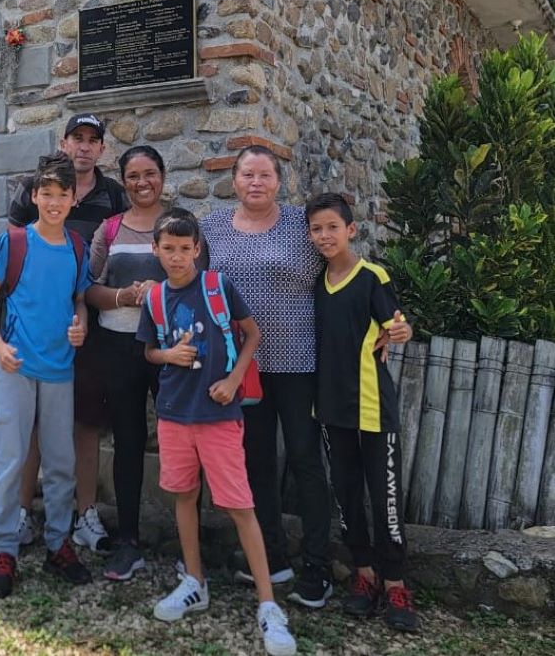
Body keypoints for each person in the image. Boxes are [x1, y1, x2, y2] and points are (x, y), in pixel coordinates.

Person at [137, 209, 296, 656]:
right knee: (183, 496)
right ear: (156, 249)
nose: (176, 257)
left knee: (240, 505)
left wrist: (232, 381)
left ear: (198, 249)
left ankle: (268, 604)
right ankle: (194, 581)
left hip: (219, 418)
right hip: (173, 416)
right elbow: (149, 351)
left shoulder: (217, 286)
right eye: (167, 249)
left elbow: (252, 335)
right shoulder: (153, 299)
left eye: (185, 249)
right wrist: (168, 356)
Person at [199, 145, 333, 607]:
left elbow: (338, 273)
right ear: (233, 180)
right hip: (242, 370)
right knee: (255, 462)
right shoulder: (212, 227)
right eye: (247, 175)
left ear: (279, 181)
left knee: (305, 460)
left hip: (298, 363)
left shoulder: (301, 225)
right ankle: (270, 555)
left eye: (265, 175)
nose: (256, 183)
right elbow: (199, 287)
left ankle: (318, 565)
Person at [8, 113, 129, 555]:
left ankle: (86, 515)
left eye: (92, 140)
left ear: (101, 149)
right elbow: (14, 254)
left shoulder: (114, 196)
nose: (83, 147)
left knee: (86, 423)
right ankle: (22, 512)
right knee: (36, 422)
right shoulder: (31, 187)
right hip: (36, 329)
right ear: (64, 142)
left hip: (89, 329)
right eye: (76, 138)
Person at [0, 152, 92, 598]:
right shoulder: (15, 241)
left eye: (62, 195)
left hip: (60, 368)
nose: (54, 202)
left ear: (72, 200)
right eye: (46, 194)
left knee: (61, 461)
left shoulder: (78, 247)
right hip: (15, 366)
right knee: (9, 461)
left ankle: (58, 543)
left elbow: (79, 299)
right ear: (34, 196)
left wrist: (80, 322)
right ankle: (5, 548)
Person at [305, 192, 417, 632]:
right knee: (348, 498)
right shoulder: (315, 282)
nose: (325, 235)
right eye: (317, 228)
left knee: (386, 501)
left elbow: (397, 324)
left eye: (333, 226)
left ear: (351, 229)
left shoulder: (373, 276)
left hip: (372, 409)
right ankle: (364, 575)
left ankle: (395, 584)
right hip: (331, 410)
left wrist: (401, 332)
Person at [85, 145, 170, 580]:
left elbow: (199, 281)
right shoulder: (110, 228)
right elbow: (89, 288)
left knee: (177, 440)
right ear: (124, 180)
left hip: (171, 349)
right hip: (119, 346)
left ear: (162, 177)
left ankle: (184, 540)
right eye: (133, 175)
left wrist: (159, 293)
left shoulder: (178, 224)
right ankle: (129, 540)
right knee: (128, 442)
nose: (142, 182)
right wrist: (123, 296)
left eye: (149, 173)